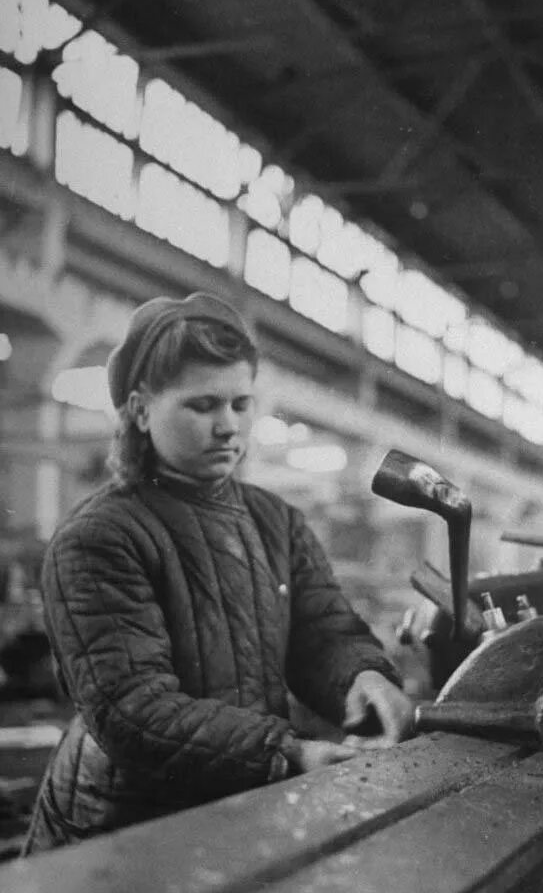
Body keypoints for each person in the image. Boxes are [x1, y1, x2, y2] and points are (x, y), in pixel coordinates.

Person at [23, 292, 413, 854]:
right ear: (139, 409)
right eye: (202, 405)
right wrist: (285, 752)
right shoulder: (101, 536)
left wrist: (364, 678)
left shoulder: (275, 521)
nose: (228, 426)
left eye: (241, 403)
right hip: (116, 829)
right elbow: (134, 710)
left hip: (235, 798)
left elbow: (322, 632)